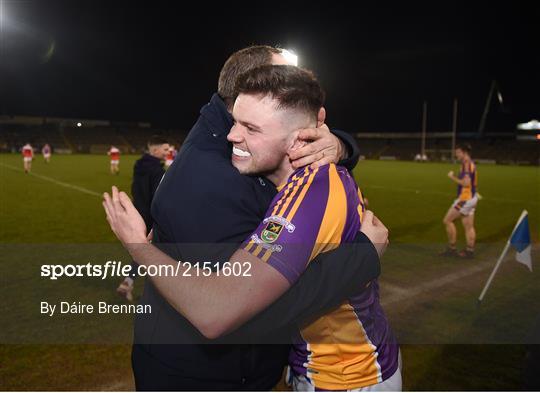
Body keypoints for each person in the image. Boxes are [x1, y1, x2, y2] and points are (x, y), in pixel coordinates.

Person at [104, 45, 389, 391]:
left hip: (305, 371)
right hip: (200, 376)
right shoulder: (211, 181)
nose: (235, 135)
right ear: (245, 90)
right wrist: (361, 258)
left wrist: (341, 146)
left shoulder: (274, 154)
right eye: (283, 80)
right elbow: (232, 311)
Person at [117, 136, 170, 302]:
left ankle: (128, 283)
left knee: (147, 251)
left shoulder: (139, 165)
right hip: (151, 217)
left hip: (137, 212)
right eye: (165, 149)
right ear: (155, 150)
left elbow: (136, 188)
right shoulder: (157, 171)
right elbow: (158, 198)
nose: (168, 152)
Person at [440, 143, 478, 258]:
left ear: (464, 152)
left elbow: (466, 183)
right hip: (473, 198)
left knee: (447, 221)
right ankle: (470, 251)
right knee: (468, 225)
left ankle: (452, 248)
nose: (456, 154)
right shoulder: (469, 163)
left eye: (457, 152)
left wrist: (452, 177)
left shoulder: (466, 164)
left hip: (465, 199)